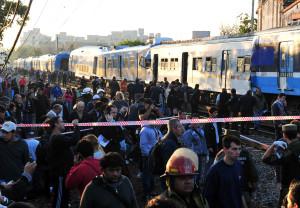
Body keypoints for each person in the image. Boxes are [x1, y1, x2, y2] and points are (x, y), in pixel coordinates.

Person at [262, 124, 300, 207]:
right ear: (296, 133)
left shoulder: (288, 151)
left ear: (284, 134)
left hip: (289, 188)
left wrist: (273, 145)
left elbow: (265, 159)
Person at [204, 135, 245, 208]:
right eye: (234, 149)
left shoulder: (239, 166)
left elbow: (240, 191)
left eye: (239, 149)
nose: (238, 152)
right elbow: (207, 198)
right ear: (225, 150)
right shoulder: (215, 171)